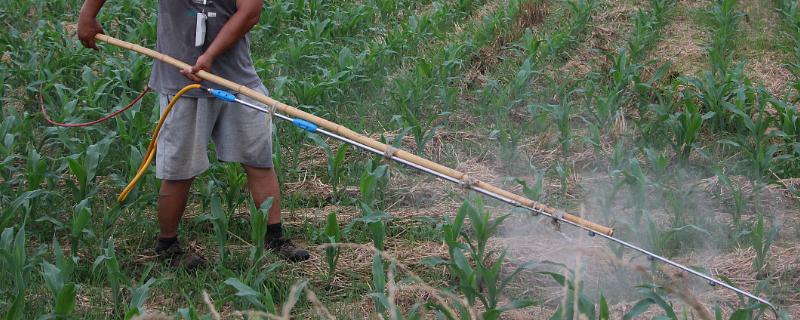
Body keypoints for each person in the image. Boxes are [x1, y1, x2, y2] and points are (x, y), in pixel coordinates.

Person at [78, 0, 309, 269]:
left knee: (259, 160)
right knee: (179, 169)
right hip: (181, 83)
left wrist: (210, 56)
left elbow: (250, 12)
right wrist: (87, 14)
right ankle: (168, 245)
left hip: (237, 81)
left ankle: (274, 236)